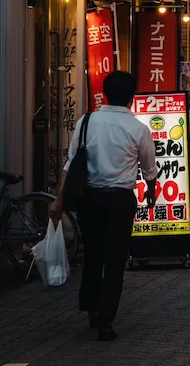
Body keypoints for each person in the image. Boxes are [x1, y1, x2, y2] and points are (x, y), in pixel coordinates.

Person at [50, 71, 158, 341]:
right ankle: (106, 319)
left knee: (93, 255)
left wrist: (60, 198)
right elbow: (149, 169)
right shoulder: (138, 129)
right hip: (121, 200)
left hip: (89, 198)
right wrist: (151, 192)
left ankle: (92, 310)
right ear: (132, 98)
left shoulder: (86, 122)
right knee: (115, 260)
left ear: (105, 94)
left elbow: (71, 163)